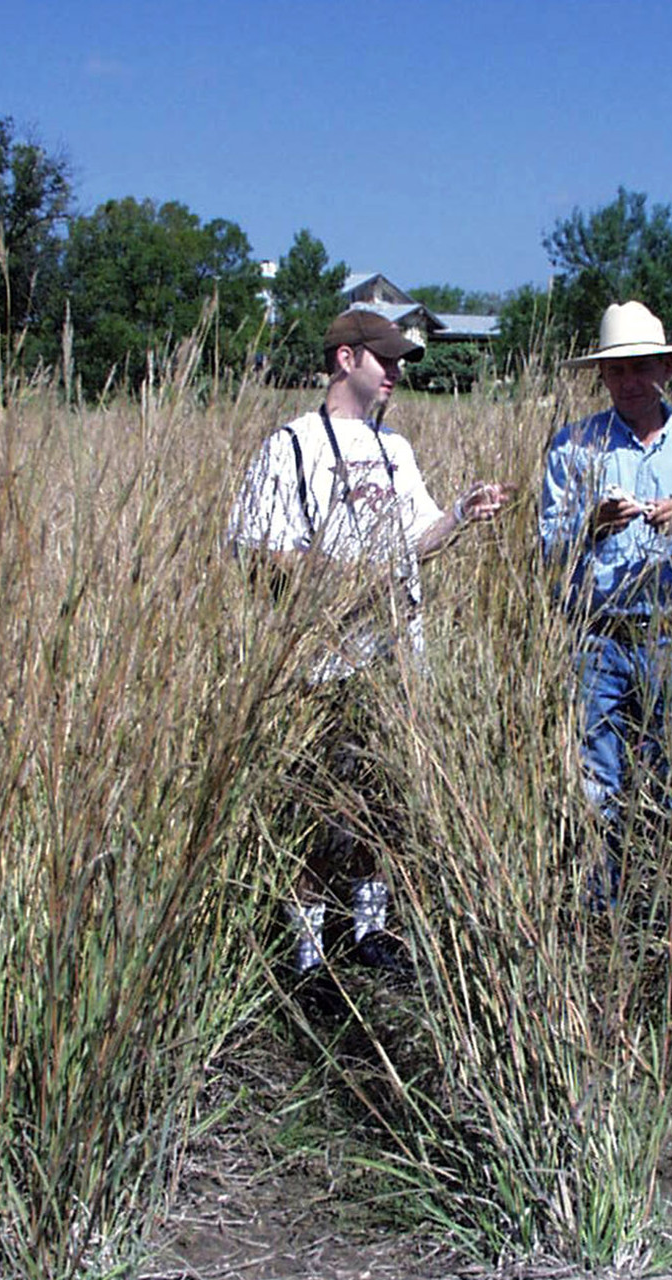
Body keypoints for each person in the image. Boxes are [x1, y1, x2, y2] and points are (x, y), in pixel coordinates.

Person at [229, 307, 512, 1001]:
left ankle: (369, 931)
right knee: (318, 800)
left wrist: (461, 514)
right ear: (345, 359)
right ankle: (306, 950)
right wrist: (344, 582)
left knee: (384, 800)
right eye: (385, 358)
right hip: (324, 659)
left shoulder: (398, 450)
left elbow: (416, 541)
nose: (397, 371)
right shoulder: (289, 447)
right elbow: (258, 549)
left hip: (396, 654)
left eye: (401, 360)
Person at [540, 300, 672, 906]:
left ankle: (659, 903)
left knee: (670, 775)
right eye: (616, 370)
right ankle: (601, 907)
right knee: (596, 780)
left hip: (671, 636)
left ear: (665, 369)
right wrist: (591, 525)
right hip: (597, 640)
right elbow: (547, 545)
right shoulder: (573, 446)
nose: (628, 381)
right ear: (602, 377)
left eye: (641, 367)